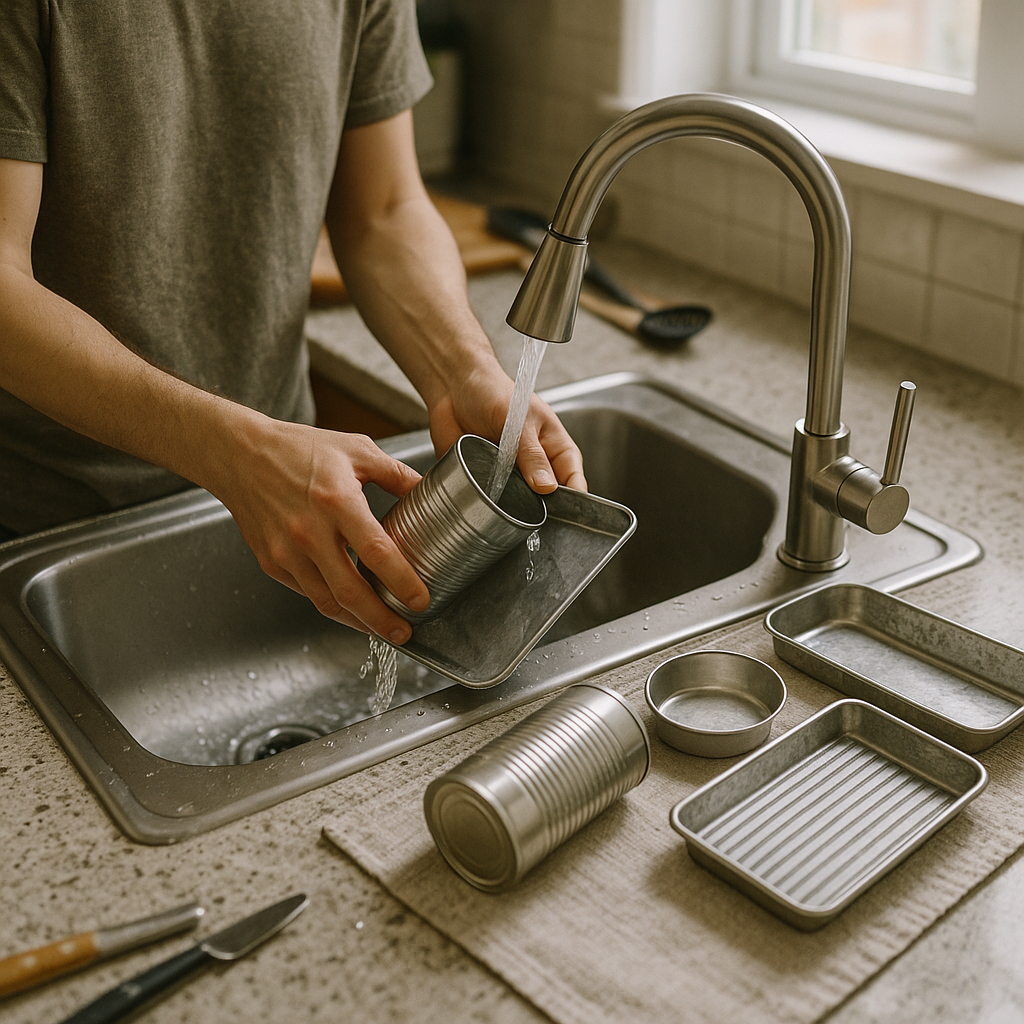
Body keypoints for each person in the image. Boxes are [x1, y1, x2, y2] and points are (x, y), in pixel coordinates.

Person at [0, 0, 586, 647]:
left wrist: (460, 370)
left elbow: (384, 211)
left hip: (288, 488)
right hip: (44, 525)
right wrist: (233, 452)